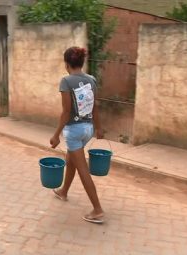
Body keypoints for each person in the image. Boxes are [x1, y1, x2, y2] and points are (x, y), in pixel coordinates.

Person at [50, 46, 104, 224]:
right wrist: (99, 128)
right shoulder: (91, 79)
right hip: (88, 129)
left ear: (67, 64)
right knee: (71, 159)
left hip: (74, 131)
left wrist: (56, 134)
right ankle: (64, 191)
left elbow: (66, 112)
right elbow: (95, 107)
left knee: (83, 170)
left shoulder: (66, 81)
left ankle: (97, 209)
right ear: (81, 62)